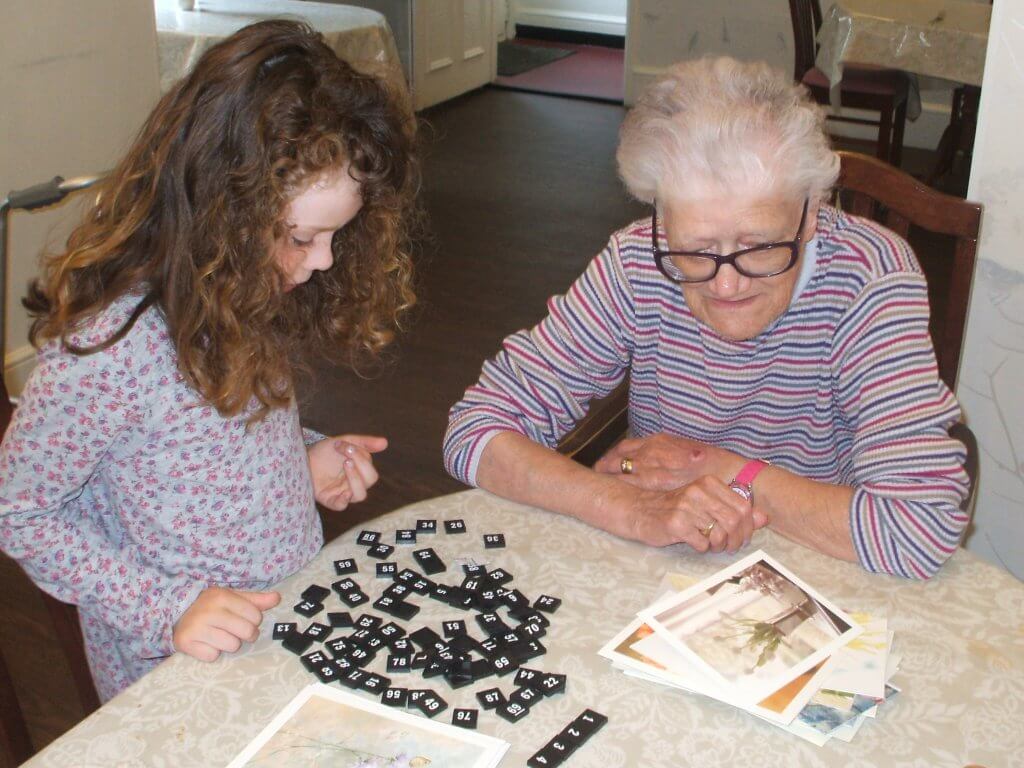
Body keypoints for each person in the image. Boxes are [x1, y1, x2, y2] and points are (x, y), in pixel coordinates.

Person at [0, 20, 418, 700]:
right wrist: (165, 609)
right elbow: (20, 512)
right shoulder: (112, 347)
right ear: (221, 212)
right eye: (303, 238)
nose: (321, 262)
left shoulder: (238, 286)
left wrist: (301, 458)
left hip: (280, 627)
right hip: (175, 670)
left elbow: (223, 435)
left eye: (336, 236)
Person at [443, 57, 969, 580]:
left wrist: (718, 470)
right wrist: (628, 506)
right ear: (660, 217)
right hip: (669, 565)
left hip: (822, 570)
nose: (724, 285)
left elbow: (916, 528)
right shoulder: (637, 263)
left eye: (759, 247)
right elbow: (475, 430)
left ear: (811, 213)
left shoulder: (869, 277)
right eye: (694, 250)